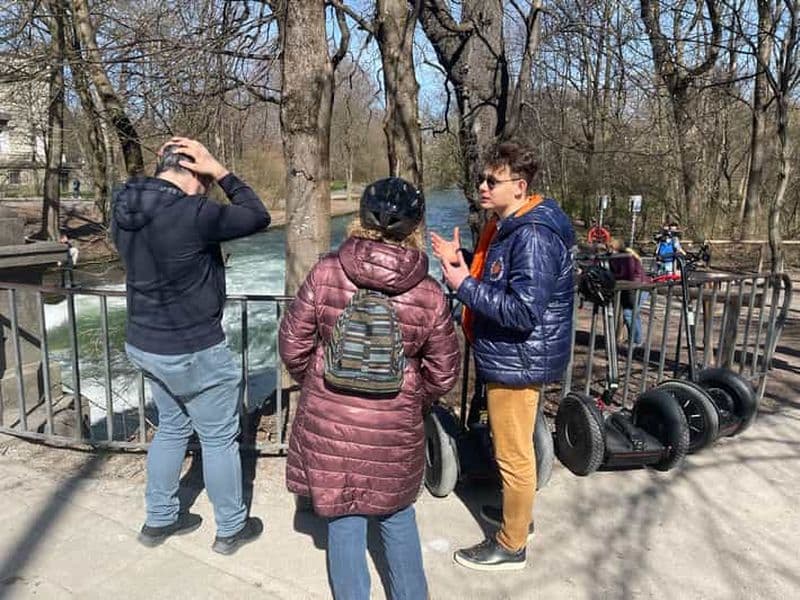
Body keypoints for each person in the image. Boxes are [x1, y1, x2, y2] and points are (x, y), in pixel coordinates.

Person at [279, 177, 460, 599]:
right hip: (394, 427)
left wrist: (318, 383)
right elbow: (443, 371)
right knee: (397, 516)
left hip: (330, 422)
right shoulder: (429, 292)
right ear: (416, 225)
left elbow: (293, 342)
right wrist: (414, 398)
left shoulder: (328, 271)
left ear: (361, 216)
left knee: (343, 520)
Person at [111, 137, 270, 554]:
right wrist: (221, 170)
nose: (209, 187)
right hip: (193, 347)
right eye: (205, 179)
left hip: (145, 342)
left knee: (172, 428)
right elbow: (257, 216)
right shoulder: (193, 212)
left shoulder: (124, 204)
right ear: (193, 173)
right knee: (218, 439)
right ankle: (231, 527)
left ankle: (159, 519)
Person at [432, 140, 575, 571]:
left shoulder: (531, 234)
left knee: (513, 455)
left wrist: (462, 285)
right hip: (512, 356)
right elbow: (502, 287)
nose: (482, 186)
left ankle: (512, 545)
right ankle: (518, 518)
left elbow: (522, 310)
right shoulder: (511, 226)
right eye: (482, 178)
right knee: (512, 449)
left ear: (519, 186)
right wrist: (465, 268)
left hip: (518, 360)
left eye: (492, 181)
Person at [608, 237, 650, 347]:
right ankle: (635, 339)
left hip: (639, 287)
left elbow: (629, 274)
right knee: (632, 313)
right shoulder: (614, 258)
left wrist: (610, 277)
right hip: (630, 288)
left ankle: (636, 340)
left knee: (629, 313)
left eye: (610, 247)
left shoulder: (627, 257)